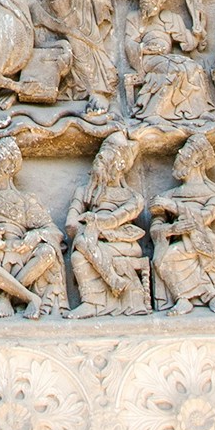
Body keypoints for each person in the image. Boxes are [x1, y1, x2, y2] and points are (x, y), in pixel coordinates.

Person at [0, 137, 65, 318]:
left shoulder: (26, 199)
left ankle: (5, 294)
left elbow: (54, 232)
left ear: (9, 168)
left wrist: (35, 237)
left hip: (21, 250)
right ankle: (29, 297)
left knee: (48, 252)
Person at [150, 134, 215, 315]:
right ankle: (202, 296)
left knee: (173, 255)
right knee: (162, 258)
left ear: (197, 161)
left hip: (204, 240)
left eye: (185, 154)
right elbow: (156, 226)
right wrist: (171, 229)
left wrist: (173, 207)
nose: (179, 157)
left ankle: (193, 296)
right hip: (178, 239)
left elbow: (204, 218)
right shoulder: (168, 195)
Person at [65, 132, 148, 317]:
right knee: (78, 254)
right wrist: (88, 230)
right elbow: (70, 224)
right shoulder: (84, 192)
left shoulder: (134, 198)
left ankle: (113, 282)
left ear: (119, 166)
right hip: (91, 241)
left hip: (123, 244)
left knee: (81, 245)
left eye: (106, 161)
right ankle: (95, 299)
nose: (100, 165)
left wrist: (94, 223)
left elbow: (115, 219)